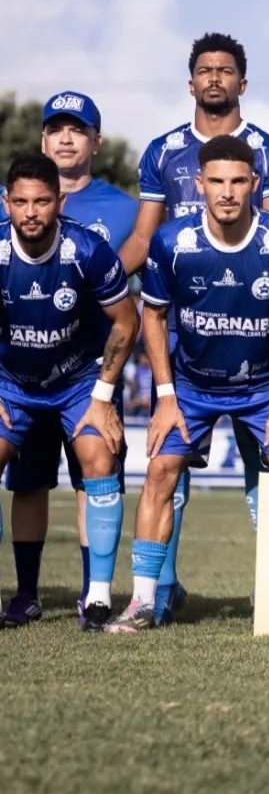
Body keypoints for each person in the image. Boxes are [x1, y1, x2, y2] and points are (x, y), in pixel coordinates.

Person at [109, 136, 269, 630]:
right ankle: (142, 601)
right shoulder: (172, 242)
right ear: (199, 185)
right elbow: (154, 317)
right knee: (161, 470)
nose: (227, 193)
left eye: (238, 182)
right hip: (193, 385)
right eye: (217, 182)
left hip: (267, 384)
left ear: (254, 184)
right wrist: (165, 398)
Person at [124, 33, 269, 624]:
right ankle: (154, 594)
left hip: (257, 343)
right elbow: (146, 243)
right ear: (191, 80)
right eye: (205, 70)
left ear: (242, 82)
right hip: (185, 341)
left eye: (226, 70)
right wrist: (98, 287)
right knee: (166, 471)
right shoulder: (163, 151)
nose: (215, 78)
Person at [2, 92, 138, 628]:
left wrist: (102, 400)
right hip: (14, 381)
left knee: (98, 459)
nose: (31, 213)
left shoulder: (89, 249)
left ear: (59, 202)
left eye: (42, 203)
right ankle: (25, 595)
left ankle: (97, 596)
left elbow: (125, 322)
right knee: (27, 483)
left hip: (79, 379)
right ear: (7, 202)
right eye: (21, 203)